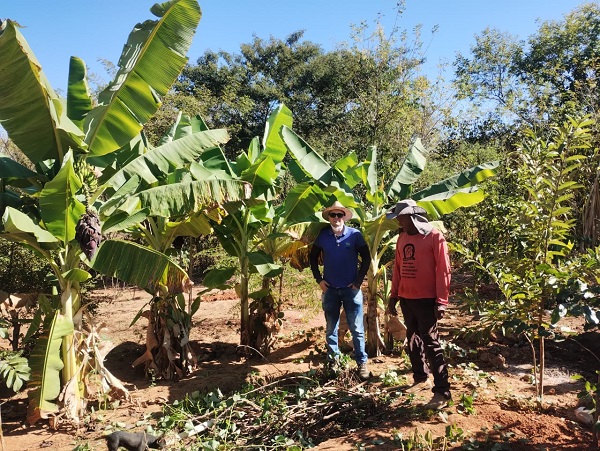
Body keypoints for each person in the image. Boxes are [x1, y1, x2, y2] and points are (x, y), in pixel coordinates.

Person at [386, 199, 452, 409]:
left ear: (411, 216)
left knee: (430, 341)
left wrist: (441, 301)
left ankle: (442, 390)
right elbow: (398, 268)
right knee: (412, 338)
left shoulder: (434, 236)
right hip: (407, 298)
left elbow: (443, 270)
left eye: (400, 217)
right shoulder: (402, 238)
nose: (398, 221)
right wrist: (393, 295)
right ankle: (420, 376)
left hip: (426, 300)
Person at [309, 200, 371, 380]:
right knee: (331, 328)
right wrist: (319, 280)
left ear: (344, 217)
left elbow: (366, 258)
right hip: (330, 290)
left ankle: (362, 364)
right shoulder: (323, 236)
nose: (336, 218)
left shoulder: (355, 235)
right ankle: (333, 362)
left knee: (357, 329)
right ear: (328, 217)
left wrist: (359, 281)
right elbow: (312, 258)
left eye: (339, 215)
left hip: (351, 290)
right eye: (332, 215)